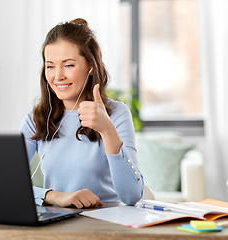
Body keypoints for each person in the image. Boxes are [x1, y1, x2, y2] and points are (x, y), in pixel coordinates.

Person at [19, 18, 144, 209]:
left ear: (91, 66)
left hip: (106, 223)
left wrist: (107, 129)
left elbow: (131, 196)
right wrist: (54, 196)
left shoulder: (117, 113)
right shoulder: (36, 118)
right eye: (50, 66)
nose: (58, 75)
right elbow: (4, 184)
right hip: (56, 222)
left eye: (68, 65)